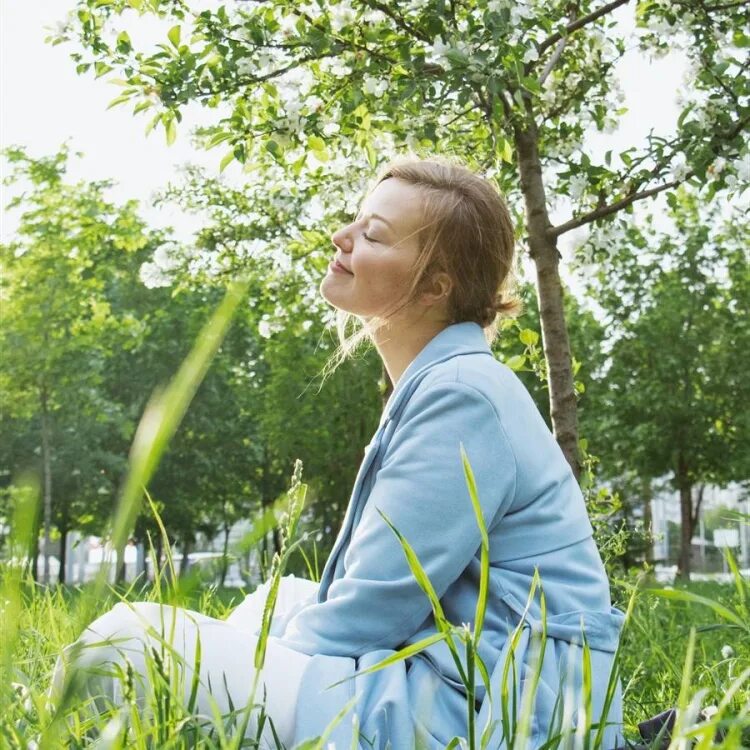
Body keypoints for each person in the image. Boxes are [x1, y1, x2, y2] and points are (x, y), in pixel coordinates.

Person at [51, 155, 625, 749]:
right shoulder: (449, 380)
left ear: (436, 286)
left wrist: (256, 673)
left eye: (372, 234)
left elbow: (376, 604)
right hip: (479, 678)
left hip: (503, 714)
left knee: (121, 643)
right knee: (271, 604)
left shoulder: (461, 397)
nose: (341, 238)